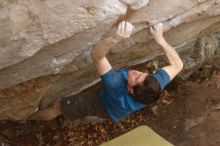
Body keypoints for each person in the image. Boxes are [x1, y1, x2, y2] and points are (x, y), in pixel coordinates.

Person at [29, 21, 183, 121]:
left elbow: (97, 56)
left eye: (136, 77)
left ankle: (28, 118)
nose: (137, 72)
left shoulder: (116, 87)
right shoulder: (154, 85)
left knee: (57, 107)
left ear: (130, 90)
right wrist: (160, 39)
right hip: (116, 112)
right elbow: (178, 65)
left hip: (102, 105)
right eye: (143, 74)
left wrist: (115, 38)